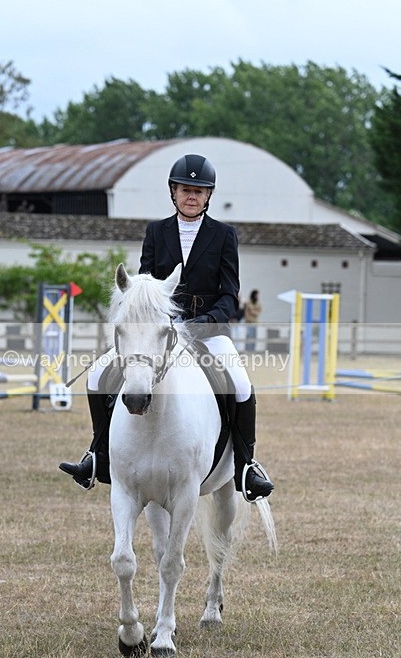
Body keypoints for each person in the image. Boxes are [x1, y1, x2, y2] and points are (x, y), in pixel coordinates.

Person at [59, 154, 274, 502]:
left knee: (240, 384)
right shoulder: (156, 232)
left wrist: (204, 323)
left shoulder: (223, 235)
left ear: (209, 196)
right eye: (186, 189)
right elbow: (144, 284)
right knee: (98, 376)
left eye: (199, 191)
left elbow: (229, 293)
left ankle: (247, 467)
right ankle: (98, 455)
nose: (192, 196)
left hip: (209, 330)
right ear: (173, 192)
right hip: (158, 331)